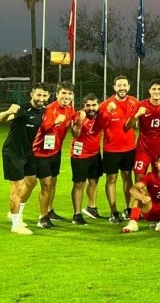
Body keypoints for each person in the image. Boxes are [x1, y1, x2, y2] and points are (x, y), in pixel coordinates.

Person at [0, 83, 49, 234]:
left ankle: (16, 213)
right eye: (38, 95)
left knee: (32, 182)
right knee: (17, 187)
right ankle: (15, 225)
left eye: (44, 95)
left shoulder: (44, 111)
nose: (41, 98)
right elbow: (1, 118)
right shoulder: (22, 109)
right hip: (13, 153)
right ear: (32, 95)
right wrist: (8, 112)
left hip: (29, 153)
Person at [32, 81, 76, 228]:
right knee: (46, 185)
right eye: (63, 93)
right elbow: (45, 127)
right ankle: (42, 217)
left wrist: (80, 116)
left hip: (56, 152)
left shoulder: (70, 109)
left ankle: (49, 211)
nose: (66, 96)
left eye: (69, 93)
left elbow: (75, 119)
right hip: (41, 152)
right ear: (57, 94)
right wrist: (56, 122)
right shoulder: (50, 109)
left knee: (53, 183)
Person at [100, 75, 140, 223]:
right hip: (111, 149)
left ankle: (128, 208)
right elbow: (99, 124)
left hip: (129, 148)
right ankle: (113, 212)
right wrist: (108, 112)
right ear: (114, 87)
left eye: (124, 85)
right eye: (119, 85)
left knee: (127, 177)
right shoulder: (106, 104)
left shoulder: (134, 102)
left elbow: (150, 105)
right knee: (111, 179)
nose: (122, 88)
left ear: (128, 87)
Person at [126, 79, 160, 181]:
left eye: (159, 89)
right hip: (143, 149)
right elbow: (128, 126)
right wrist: (137, 115)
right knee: (139, 176)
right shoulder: (141, 105)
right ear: (149, 90)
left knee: (159, 177)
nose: (156, 91)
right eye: (154, 89)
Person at [69, 93, 107, 225]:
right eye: (88, 105)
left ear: (98, 105)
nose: (91, 108)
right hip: (80, 155)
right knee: (79, 184)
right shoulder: (79, 115)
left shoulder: (100, 115)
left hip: (95, 154)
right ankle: (77, 214)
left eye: (94, 105)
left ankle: (91, 208)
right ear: (83, 106)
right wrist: (79, 123)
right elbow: (75, 134)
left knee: (94, 181)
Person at [122, 152, 160, 233]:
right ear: (156, 164)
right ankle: (133, 223)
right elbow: (132, 189)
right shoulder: (150, 176)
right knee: (140, 191)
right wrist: (142, 197)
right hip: (150, 210)